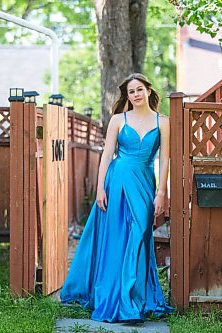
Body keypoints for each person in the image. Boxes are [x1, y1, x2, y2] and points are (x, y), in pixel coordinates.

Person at [60, 73, 173, 322]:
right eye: (131, 92)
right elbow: (107, 155)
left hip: (144, 181)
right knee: (117, 237)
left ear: (148, 91)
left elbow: (165, 159)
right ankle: (123, 301)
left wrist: (162, 192)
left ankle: (134, 297)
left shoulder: (162, 121)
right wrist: (100, 188)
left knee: (140, 232)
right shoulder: (118, 120)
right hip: (117, 180)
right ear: (127, 96)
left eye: (139, 89)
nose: (136, 95)